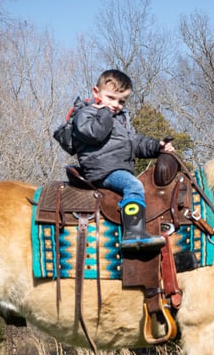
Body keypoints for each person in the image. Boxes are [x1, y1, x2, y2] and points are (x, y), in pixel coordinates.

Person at [70, 69, 175, 251]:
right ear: (96, 92)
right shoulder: (85, 114)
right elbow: (94, 134)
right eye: (110, 97)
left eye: (121, 101)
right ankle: (134, 234)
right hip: (102, 169)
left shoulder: (119, 119)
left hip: (117, 167)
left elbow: (134, 143)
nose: (116, 105)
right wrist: (104, 112)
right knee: (133, 186)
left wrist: (157, 146)